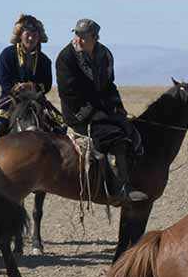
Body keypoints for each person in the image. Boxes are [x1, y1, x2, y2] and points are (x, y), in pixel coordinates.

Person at [55, 18, 146, 203]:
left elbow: (109, 84)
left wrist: (117, 106)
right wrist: (91, 113)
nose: (78, 39)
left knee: (132, 132)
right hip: (79, 113)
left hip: (103, 108)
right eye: (77, 34)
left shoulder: (105, 54)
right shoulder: (66, 57)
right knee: (114, 138)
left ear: (95, 37)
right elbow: (68, 92)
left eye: (83, 36)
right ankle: (120, 189)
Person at [0, 14, 55, 153]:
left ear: (39, 36)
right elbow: (4, 81)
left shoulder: (44, 60)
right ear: (20, 35)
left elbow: (47, 85)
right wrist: (18, 88)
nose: (31, 38)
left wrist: (33, 86)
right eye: (28, 34)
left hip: (37, 102)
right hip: (11, 101)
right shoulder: (7, 55)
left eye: (34, 34)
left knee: (59, 129)